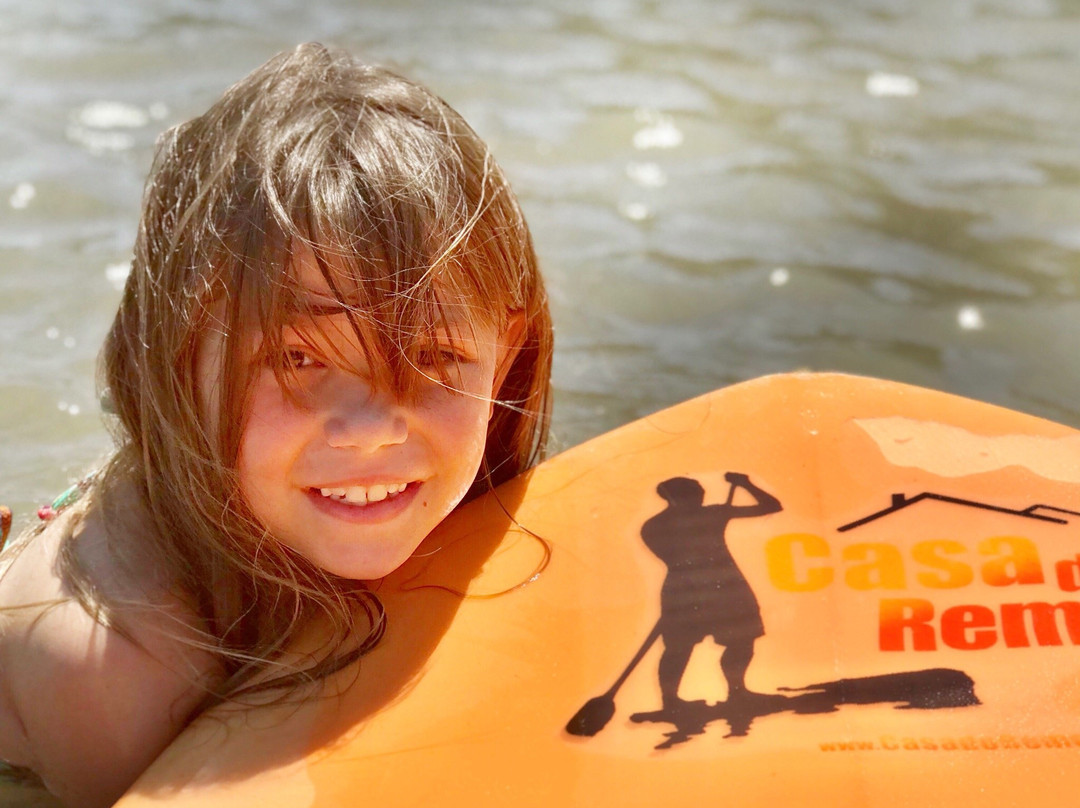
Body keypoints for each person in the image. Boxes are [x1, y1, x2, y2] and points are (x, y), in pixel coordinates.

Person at [0, 42, 552, 808]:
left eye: (431, 355)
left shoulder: (397, 497)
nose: (370, 429)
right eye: (297, 358)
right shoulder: (120, 671)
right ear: (177, 356)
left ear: (508, 349)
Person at [640, 473, 781, 711]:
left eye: (700, 492)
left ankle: (737, 692)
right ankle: (671, 701)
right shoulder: (705, 516)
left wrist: (746, 485)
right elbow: (770, 505)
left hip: (698, 587)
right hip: (713, 587)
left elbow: (773, 507)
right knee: (679, 647)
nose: (701, 496)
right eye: (695, 493)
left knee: (740, 639)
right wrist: (745, 484)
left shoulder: (658, 524)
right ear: (675, 498)